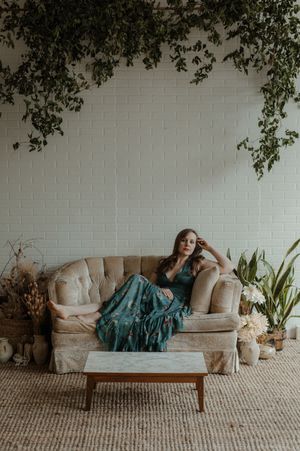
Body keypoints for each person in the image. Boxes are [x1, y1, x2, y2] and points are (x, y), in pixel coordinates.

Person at [47, 228, 234, 352]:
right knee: (127, 291)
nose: (187, 244)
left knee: (135, 280)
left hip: (172, 304)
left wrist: (209, 247)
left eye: (192, 242)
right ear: (178, 242)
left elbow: (228, 267)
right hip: (155, 297)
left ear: (195, 246)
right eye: (184, 240)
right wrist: (159, 289)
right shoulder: (165, 262)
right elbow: (149, 284)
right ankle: (70, 310)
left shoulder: (198, 262)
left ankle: (90, 314)